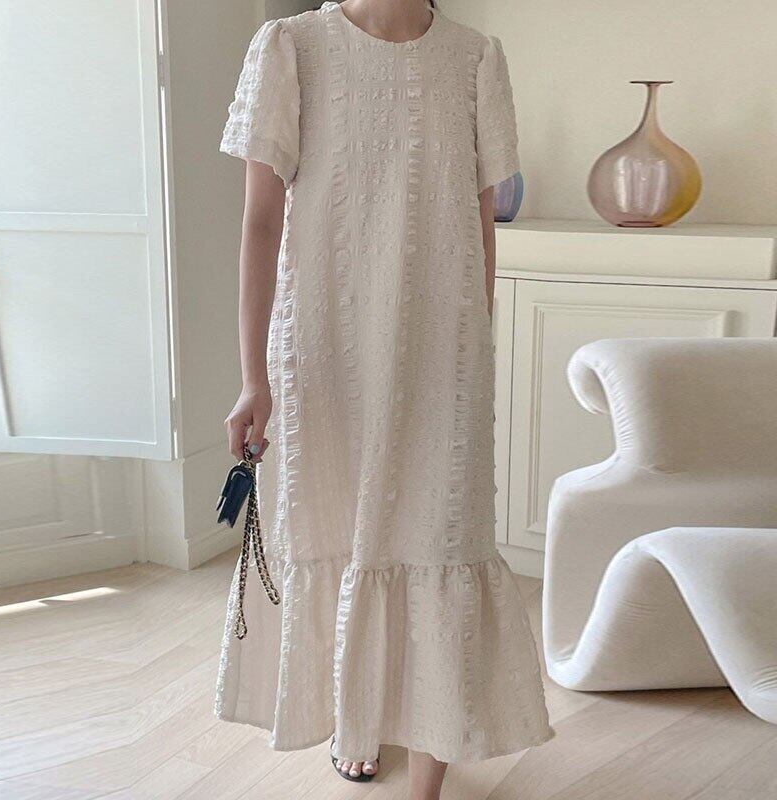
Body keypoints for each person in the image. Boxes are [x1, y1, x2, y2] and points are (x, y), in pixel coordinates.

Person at [215, 1, 553, 797]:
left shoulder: (476, 58)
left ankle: (429, 766)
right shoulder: (291, 47)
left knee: (440, 539)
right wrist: (254, 376)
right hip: (324, 345)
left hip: (441, 350)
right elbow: (261, 222)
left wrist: (473, 351)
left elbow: (481, 226)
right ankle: (358, 724)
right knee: (339, 528)